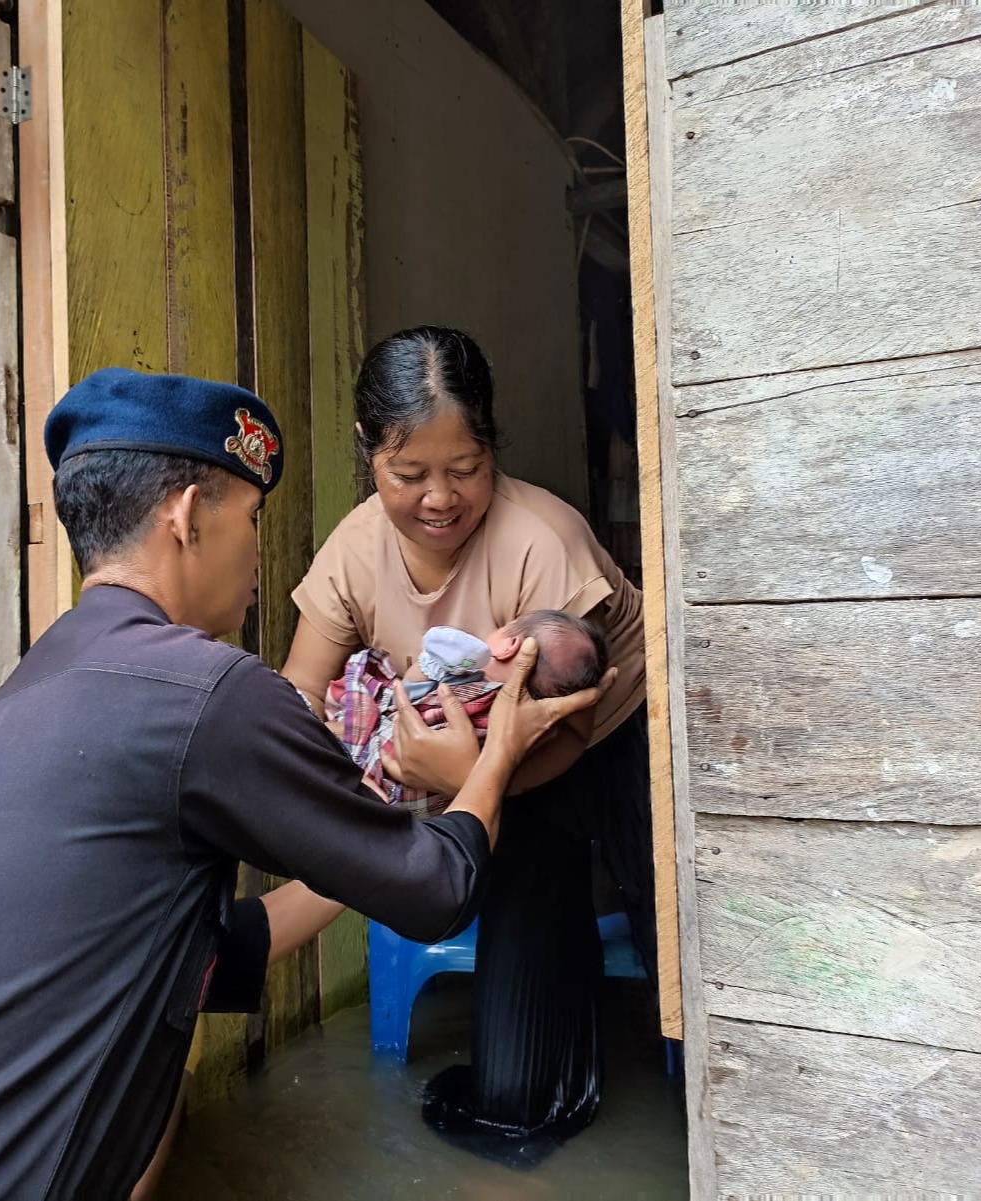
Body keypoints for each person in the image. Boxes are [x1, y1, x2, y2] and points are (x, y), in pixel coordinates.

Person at [0, 367, 603, 1201]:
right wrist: (491, 760)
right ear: (183, 518)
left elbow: (211, 955)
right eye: (249, 518)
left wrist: (370, 832)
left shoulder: (19, 697)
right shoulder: (210, 691)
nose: (258, 552)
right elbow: (437, 891)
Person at [283, 326, 648, 1144]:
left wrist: (469, 778)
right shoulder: (354, 549)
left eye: (466, 469)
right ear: (368, 451)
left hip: (589, 749)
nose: (439, 498)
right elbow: (300, 692)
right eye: (407, 474)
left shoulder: (539, 540)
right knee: (513, 1092)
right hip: (471, 771)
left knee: (664, 975)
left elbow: (566, 732)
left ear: (494, 446)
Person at [325, 611, 609, 816]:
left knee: (366, 691)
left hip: (382, 756)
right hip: (412, 806)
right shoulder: (530, 728)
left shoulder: (467, 678)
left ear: (509, 647)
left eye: (506, 627)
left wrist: (438, 662)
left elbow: (411, 690)